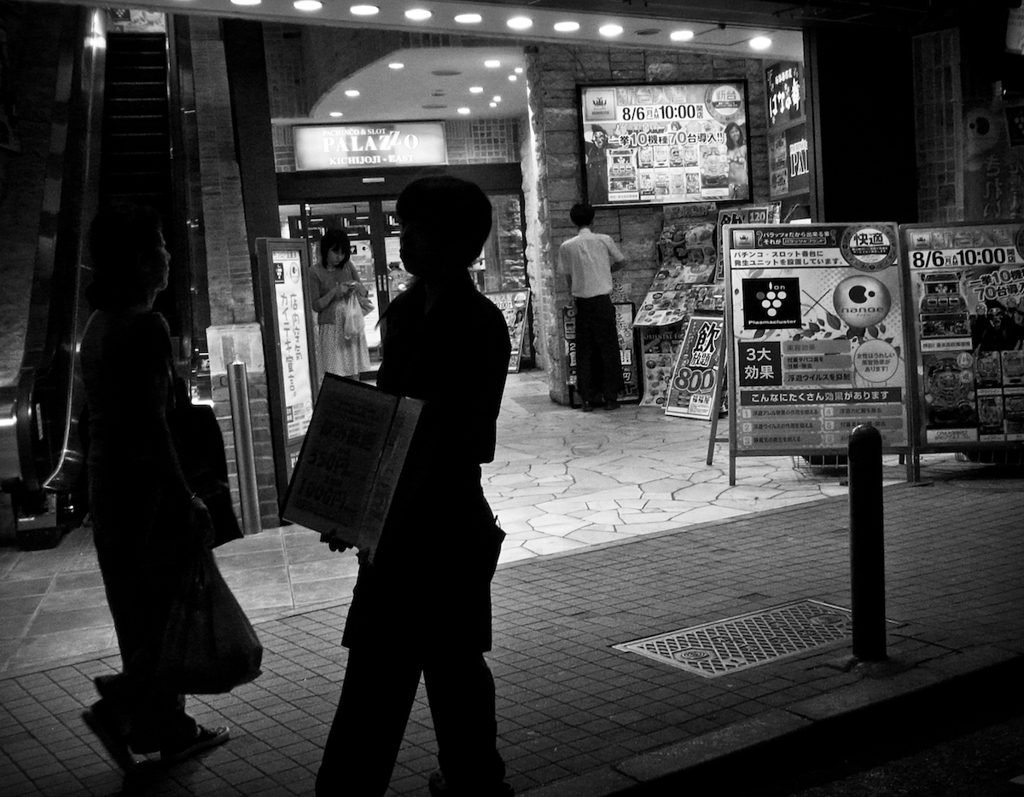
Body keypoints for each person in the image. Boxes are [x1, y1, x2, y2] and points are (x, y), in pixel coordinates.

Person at [316, 176, 513, 797]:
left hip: (441, 522)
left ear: (456, 241)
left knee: (427, 667)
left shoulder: (479, 324)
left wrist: (379, 508)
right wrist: (352, 500)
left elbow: (463, 438)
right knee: (411, 666)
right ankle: (470, 782)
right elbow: (381, 417)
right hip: (402, 522)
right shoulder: (403, 312)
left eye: (413, 227)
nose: (403, 238)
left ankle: (467, 783)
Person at [79, 203, 229, 770]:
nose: (169, 257)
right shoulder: (145, 326)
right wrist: (186, 497)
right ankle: (136, 706)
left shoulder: (98, 325)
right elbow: (152, 424)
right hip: (146, 491)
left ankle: (159, 724)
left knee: (137, 609)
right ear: (140, 262)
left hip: (108, 485)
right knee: (168, 608)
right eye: (160, 247)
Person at [559, 203, 626, 411]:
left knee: (584, 351)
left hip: (583, 304)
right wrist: (607, 270)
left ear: (573, 222)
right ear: (593, 219)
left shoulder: (566, 246)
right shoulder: (604, 240)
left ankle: (586, 398)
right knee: (608, 348)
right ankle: (610, 397)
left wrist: (573, 297)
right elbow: (622, 261)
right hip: (603, 303)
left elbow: (568, 277)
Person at [309, 228, 372, 383]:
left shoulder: (347, 266)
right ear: (325, 250)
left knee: (353, 372)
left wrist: (357, 287)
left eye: (343, 253)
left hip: (351, 325)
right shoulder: (314, 272)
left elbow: (364, 293)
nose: (340, 257)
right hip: (331, 328)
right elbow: (316, 305)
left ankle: (354, 404)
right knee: (333, 373)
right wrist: (335, 292)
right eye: (335, 252)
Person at [585, 125, 610, 205]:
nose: (598, 139)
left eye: (600, 136)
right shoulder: (590, 148)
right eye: (595, 137)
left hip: (607, 187)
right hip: (593, 188)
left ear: (605, 137)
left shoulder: (609, 147)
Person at [724, 122, 748, 198]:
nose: (735, 134)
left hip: (742, 182)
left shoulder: (744, 147)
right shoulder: (726, 150)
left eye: (736, 131)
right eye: (732, 132)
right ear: (729, 135)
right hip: (730, 182)